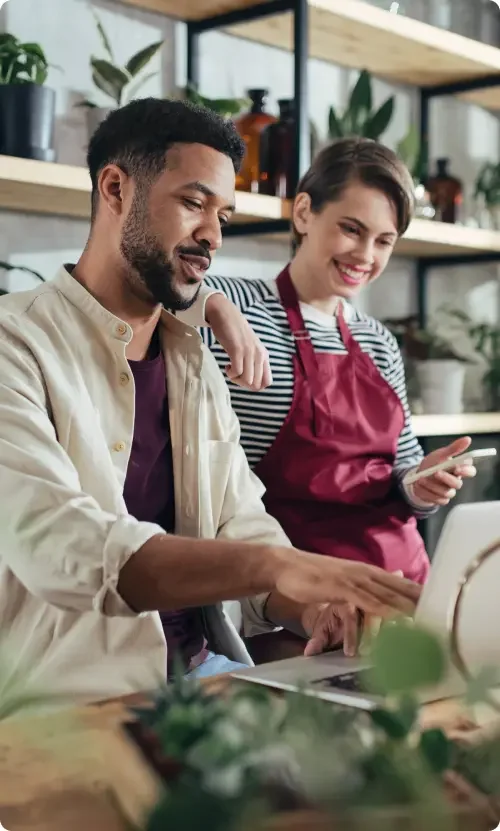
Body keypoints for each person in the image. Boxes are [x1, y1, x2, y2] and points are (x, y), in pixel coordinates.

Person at [0, 101, 420, 705]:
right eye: (194, 204)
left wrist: (315, 605)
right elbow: (64, 545)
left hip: (205, 683)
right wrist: (280, 567)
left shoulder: (193, 360)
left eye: (222, 214)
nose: (214, 236)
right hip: (66, 711)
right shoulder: (17, 345)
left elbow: (241, 520)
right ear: (115, 188)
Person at [200, 138, 477, 595]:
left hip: (400, 582)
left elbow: (401, 474)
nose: (365, 255)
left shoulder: (378, 340)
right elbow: (154, 290)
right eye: (352, 229)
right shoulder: (239, 306)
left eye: (384, 241)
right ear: (305, 212)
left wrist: (422, 483)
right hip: (293, 593)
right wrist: (213, 303)